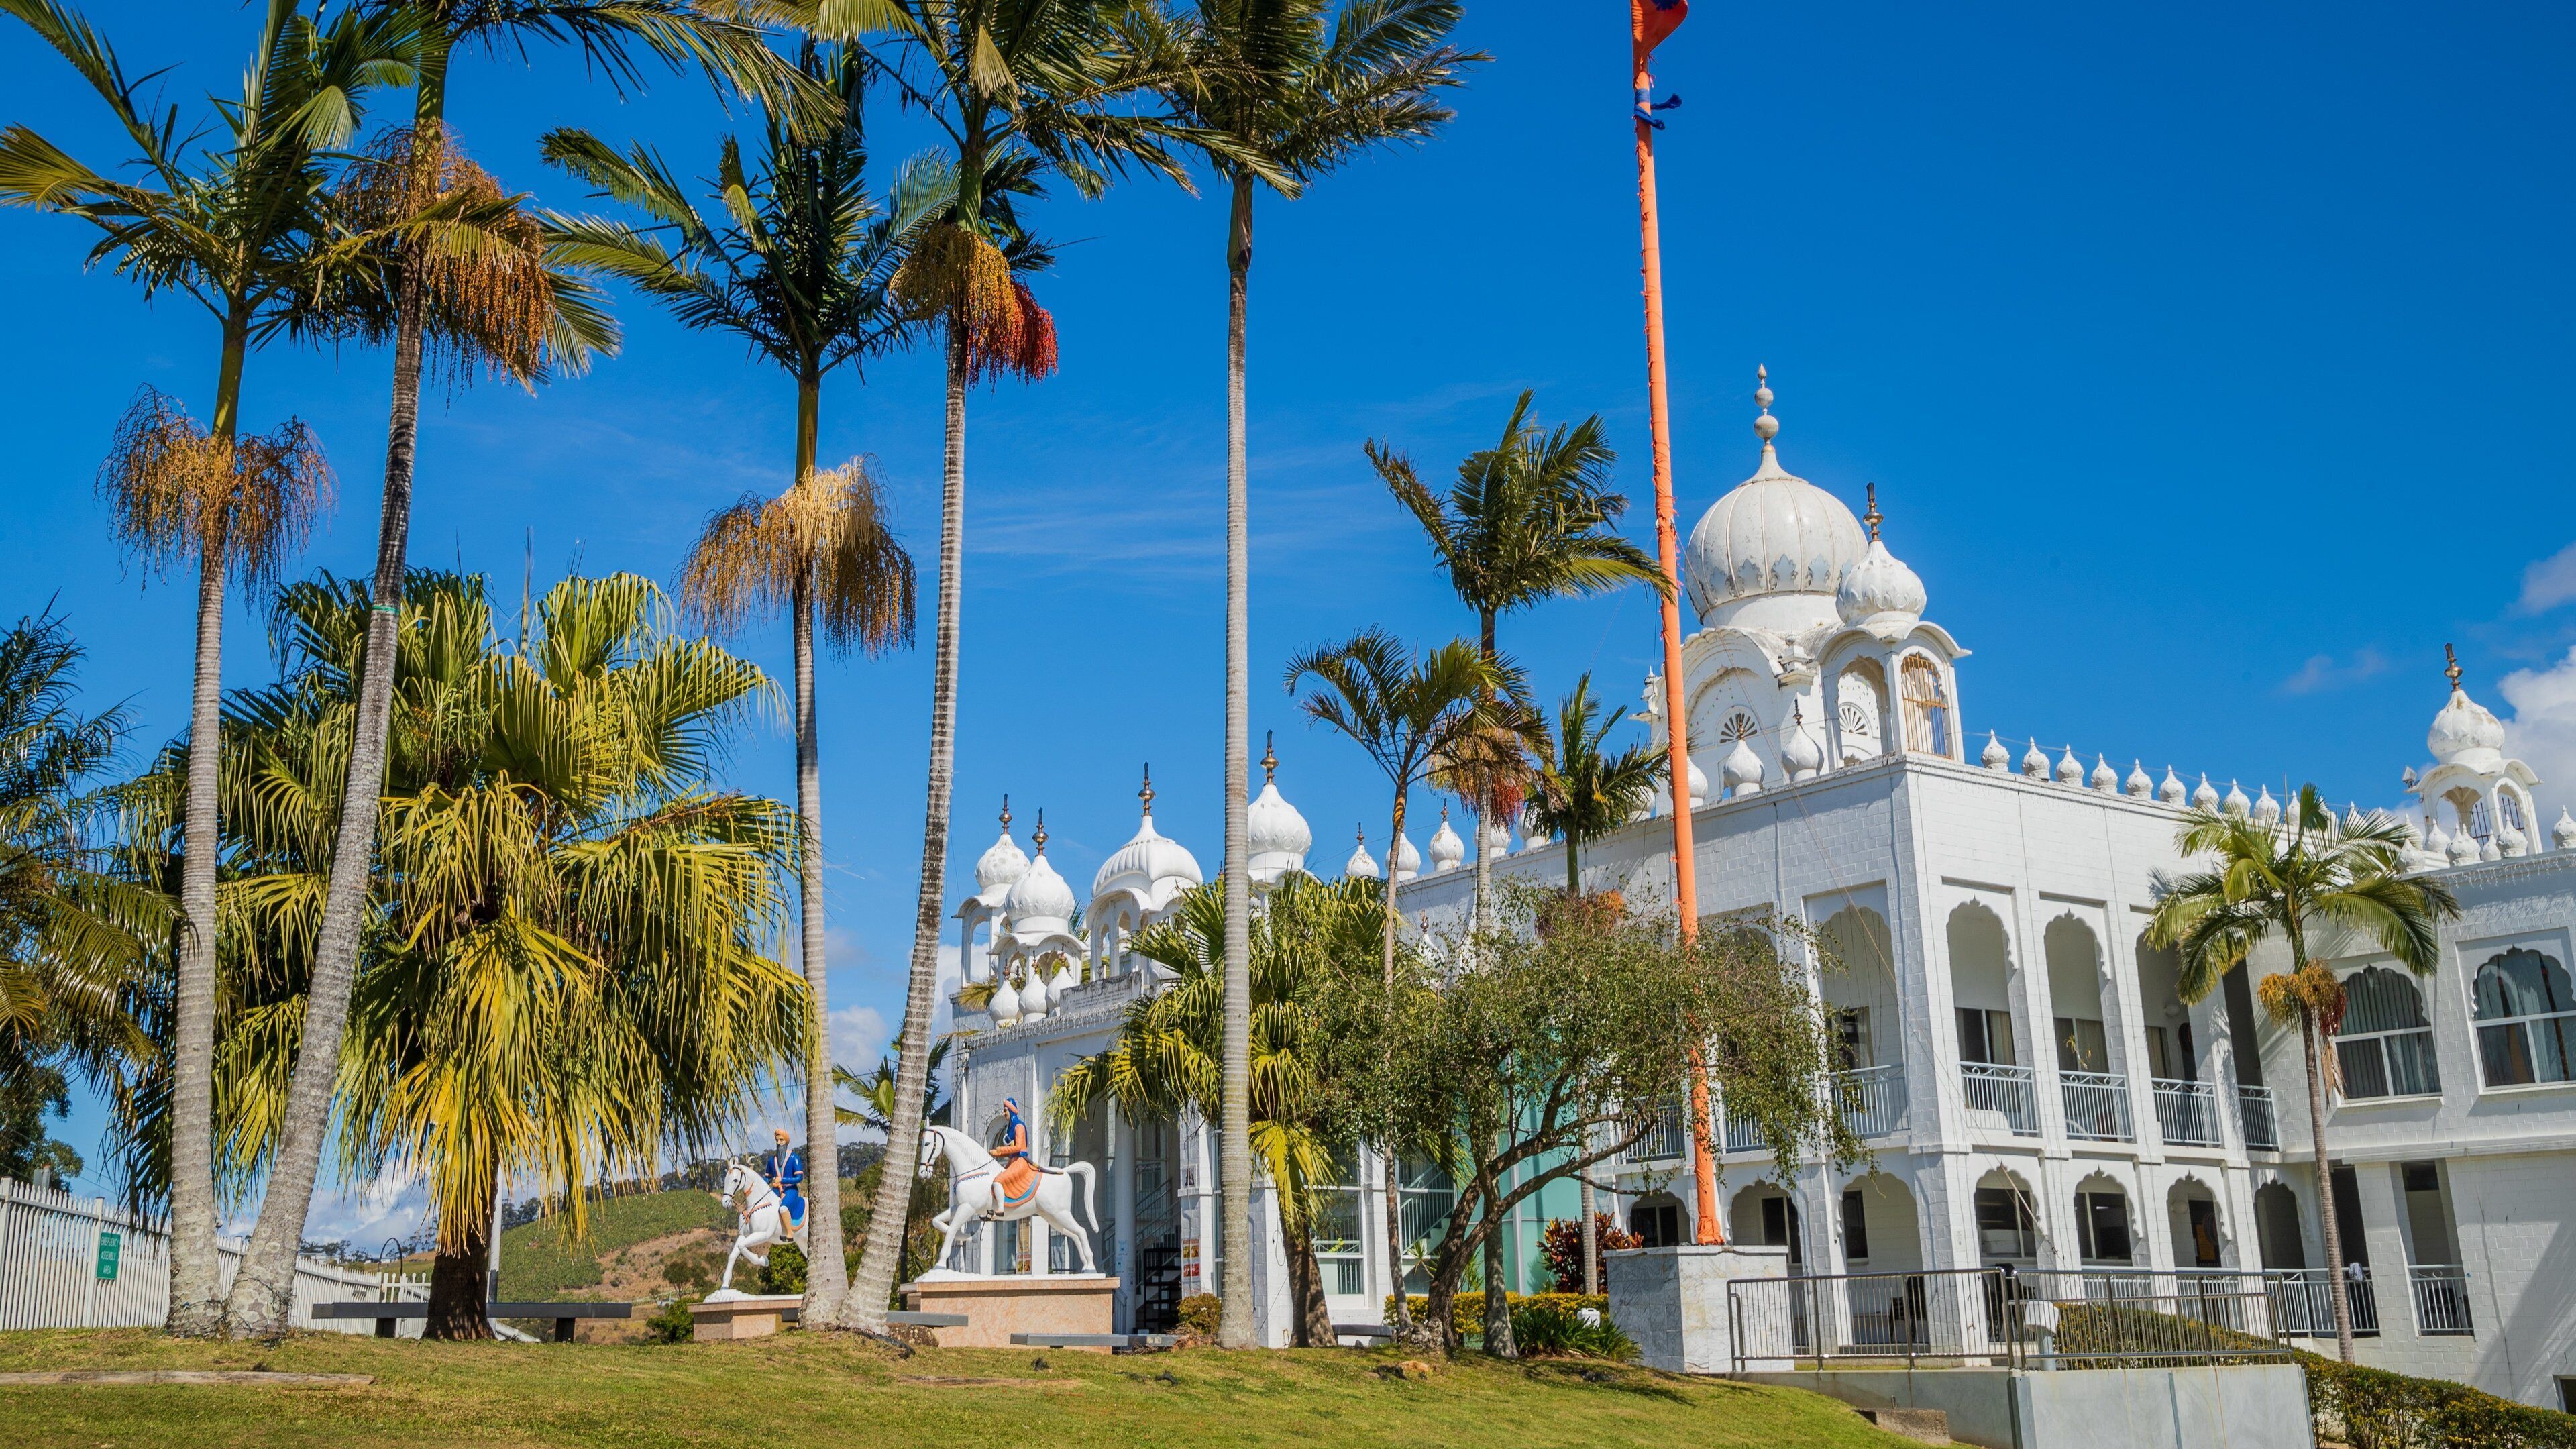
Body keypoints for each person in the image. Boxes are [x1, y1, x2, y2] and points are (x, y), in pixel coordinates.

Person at [987, 1096, 1040, 1217]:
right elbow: (1012, 1150)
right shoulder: (1010, 1128)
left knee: (998, 1181)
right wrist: (997, 1153)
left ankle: (1001, 1209)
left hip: (1020, 1161)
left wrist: (1000, 1150)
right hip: (1013, 1161)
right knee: (995, 1179)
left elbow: (1018, 1148)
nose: (1004, 1113)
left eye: (1005, 1110)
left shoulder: (1019, 1127)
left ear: (1011, 1111)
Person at [764, 1127, 807, 1238]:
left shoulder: (794, 1158)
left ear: (786, 1141)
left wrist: (782, 1180)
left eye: (781, 1140)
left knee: (783, 1208)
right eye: (777, 1140)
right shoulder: (771, 1161)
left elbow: (799, 1178)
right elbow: (767, 1178)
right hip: (775, 1190)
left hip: (790, 1190)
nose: (779, 1143)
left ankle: (789, 1233)